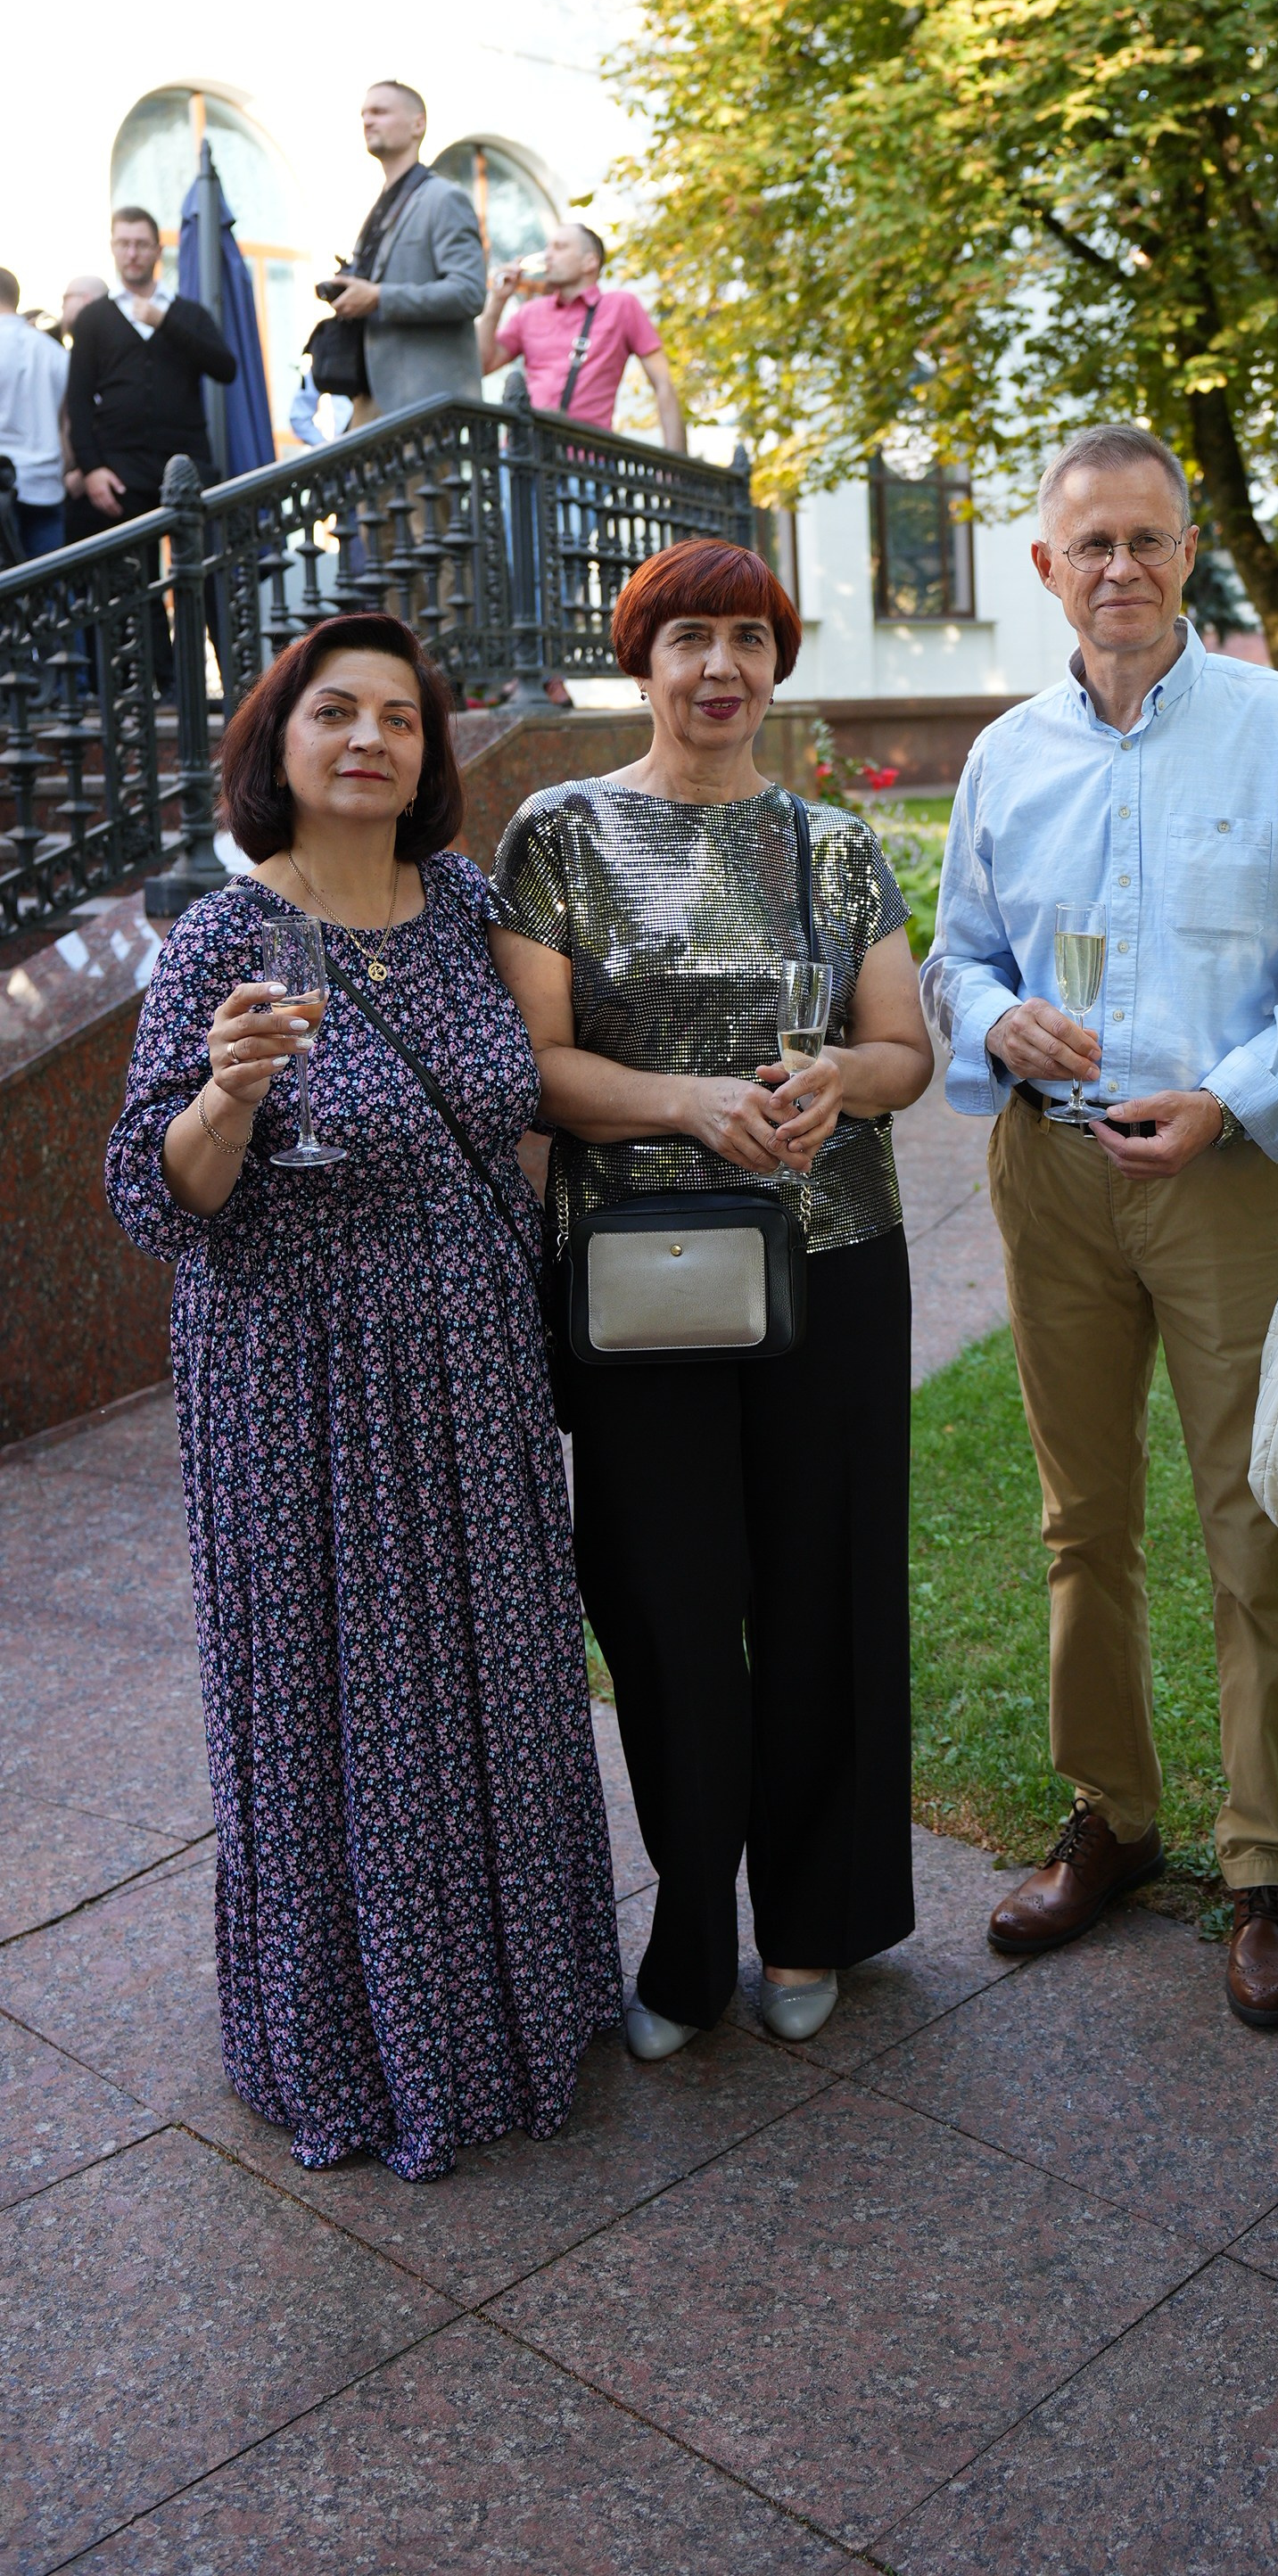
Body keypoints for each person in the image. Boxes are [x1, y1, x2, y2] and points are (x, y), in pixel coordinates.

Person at [104, 613, 623, 2182]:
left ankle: (521, 2006)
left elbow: (531, 1094)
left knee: (494, 1682)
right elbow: (152, 1191)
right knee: (342, 1703)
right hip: (297, 1387)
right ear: (281, 738)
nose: (370, 739)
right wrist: (229, 1091)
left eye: (401, 716)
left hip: (468, 1369)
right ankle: (362, 2034)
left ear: (426, 755)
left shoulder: (467, 903)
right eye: (336, 711)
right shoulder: (218, 935)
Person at [921, 423, 1278, 2029]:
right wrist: (996, 1021)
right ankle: (1114, 1818)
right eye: (1088, 545)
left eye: (1147, 538)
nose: (1118, 567)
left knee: (1253, 1521)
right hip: (1051, 1178)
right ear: (1045, 569)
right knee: (1081, 1517)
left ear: (1187, 553)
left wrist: (1230, 1092)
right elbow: (957, 954)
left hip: (1222, 1177)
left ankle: (1262, 1862)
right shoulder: (1005, 754)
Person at [491, 534, 933, 2053]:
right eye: (690, 638)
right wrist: (690, 1102)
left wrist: (834, 1077)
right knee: (668, 1607)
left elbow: (903, 1050)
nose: (721, 667)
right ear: (645, 657)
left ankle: (814, 1918)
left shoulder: (831, 845)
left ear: (776, 663)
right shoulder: (558, 830)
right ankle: (685, 1936)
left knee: (827, 1588)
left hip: (833, 1264)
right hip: (642, 1279)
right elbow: (533, 1065)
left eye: (749, 637)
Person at [64, 206, 235, 539]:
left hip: (185, 464)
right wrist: (92, 468)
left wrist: (165, 323)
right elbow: (78, 399)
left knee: (196, 569)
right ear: (112, 247)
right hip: (118, 468)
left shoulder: (188, 313)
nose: (132, 253)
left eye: (142, 244)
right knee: (127, 577)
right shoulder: (94, 317)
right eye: (124, 243)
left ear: (158, 250)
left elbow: (225, 368)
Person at [323, 81, 486, 421]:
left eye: (380, 112)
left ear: (418, 124)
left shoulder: (444, 199)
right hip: (368, 401)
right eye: (364, 114)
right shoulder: (380, 206)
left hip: (424, 407)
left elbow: (469, 293)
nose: (367, 121)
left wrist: (380, 297)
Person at [479, 219, 687, 449]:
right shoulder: (529, 313)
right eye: (548, 248)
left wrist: (676, 469)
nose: (549, 255)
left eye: (560, 247)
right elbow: (482, 365)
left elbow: (663, 383)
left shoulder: (621, 306)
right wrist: (496, 302)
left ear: (590, 262)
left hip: (586, 463)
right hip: (524, 455)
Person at [0, 265, 69, 558]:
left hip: (6, 482)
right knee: (49, 587)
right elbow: (69, 423)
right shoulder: (53, 351)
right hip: (46, 484)